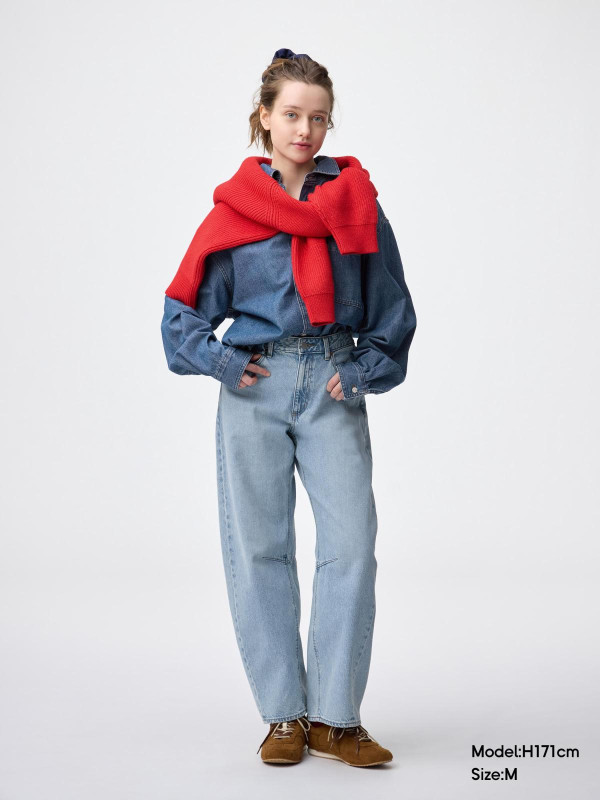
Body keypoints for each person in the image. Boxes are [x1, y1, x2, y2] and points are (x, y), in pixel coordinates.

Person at [161, 48, 417, 768]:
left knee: (351, 547)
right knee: (259, 549)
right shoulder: (234, 212)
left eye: (319, 118)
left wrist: (362, 369)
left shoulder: (357, 200)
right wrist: (221, 360)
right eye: (293, 115)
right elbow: (180, 317)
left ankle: (336, 719)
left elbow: (393, 308)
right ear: (265, 118)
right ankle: (284, 716)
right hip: (256, 384)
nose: (306, 130)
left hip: (333, 377)